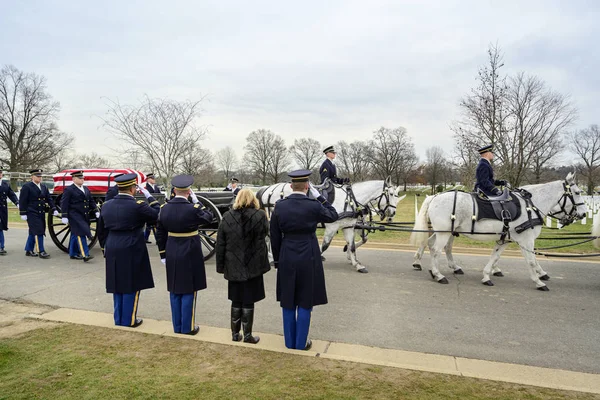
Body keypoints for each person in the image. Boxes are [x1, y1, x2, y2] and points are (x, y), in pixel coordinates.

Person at [269, 169, 338, 350]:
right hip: (309, 254)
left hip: (286, 254)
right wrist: (320, 198)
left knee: (288, 300)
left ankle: (289, 342)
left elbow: (274, 237)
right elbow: (333, 215)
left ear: (291, 186)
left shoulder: (279, 206)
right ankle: (301, 343)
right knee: (305, 299)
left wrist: (277, 261)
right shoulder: (313, 205)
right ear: (308, 186)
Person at [98, 173, 160, 328]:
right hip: (131, 244)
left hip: (112, 244)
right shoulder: (138, 205)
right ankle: (129, 319)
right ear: (133, 189)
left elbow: (101, 229)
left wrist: (104, 246)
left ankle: (118, 318)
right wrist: (150, 197)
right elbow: (157, 214)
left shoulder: (106, 205)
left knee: (117, 283)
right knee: (132, 283)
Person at [156, 175, 213, 335]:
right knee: (189, 289)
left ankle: (177, 326)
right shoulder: (193, 209)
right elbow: (209, 217)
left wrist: (162, 253)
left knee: (175, 289)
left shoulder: (164, 208)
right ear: (189, 191)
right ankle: (187, 327)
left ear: (174, 191)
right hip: (190, 250)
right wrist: (197, 202)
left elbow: (160, 233)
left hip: (172, 248)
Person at [216, 188, 270, 344]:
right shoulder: (260, 216)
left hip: (233, 263)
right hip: (253, 264)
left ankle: (235, 334)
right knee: (248, 300)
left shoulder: (227, 216)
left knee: (236, 299)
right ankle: (247, 335)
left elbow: (221, 243)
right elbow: (265, 234)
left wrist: (221, 266)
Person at [18, 169, 58, 258]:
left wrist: (54, 208)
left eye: (40, 176)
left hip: (41, 212)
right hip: (31, 212)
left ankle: (28, 250)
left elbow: (48, 198)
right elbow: (23, 200)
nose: (39, 178)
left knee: (34, 231)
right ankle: (41, 251)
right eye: (37, 176)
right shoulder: (27, 186)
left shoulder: (44, 187)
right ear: (32, 177)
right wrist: (23, 213)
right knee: (38, 231)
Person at [60, 170, 98, 262]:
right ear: (73, 179)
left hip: (84, 215)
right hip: (74, 215)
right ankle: (85, 254)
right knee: (81, 233)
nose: (82, 180)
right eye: (79, 178)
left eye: (82, 178)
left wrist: (96, 210)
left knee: (75, 233)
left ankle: (73, 253)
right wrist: (64, 215)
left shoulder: (86, 189)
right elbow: (64, 203)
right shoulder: (69, 190)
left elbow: (91, 201)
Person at [0, 167, 19, 255]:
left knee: (0, 228)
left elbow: (11, 194)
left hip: (2, 210)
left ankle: (1, 247)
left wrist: (17, 203)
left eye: (0, 173)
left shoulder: (5, 184)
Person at [143, 173, 160, 244]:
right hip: (149, 206)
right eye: (152, 178)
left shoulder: (156, 187)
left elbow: (159, 195)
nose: (154, 180)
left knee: (151, 224)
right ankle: (156, 239)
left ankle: (145, 238)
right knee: (152, 224)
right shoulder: (145, 187)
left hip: (155, 206)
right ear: (149, 179)